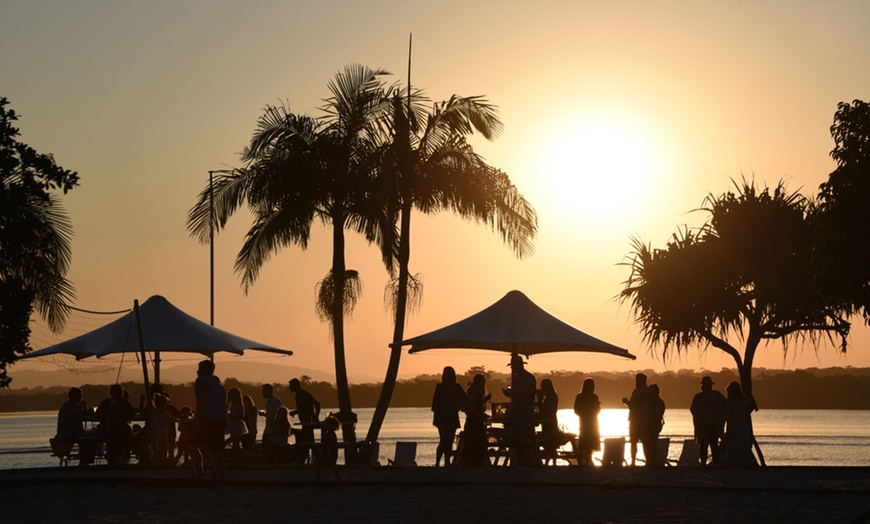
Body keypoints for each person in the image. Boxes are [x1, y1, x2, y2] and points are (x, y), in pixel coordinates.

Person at [190, 359, 228, 479]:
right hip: (221, 419)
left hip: (207, 418)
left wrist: (196, 417)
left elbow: (202, 398)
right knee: (214, 450)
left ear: (205, 370)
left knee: (191, 444)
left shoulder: (201, 381)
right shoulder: (218, 385)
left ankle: (199, 474)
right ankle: (221, 477)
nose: (197, 371)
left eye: (199, 368)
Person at [505, 353, 539, 466]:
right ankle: (522, 460)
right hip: (516, 412)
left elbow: (529, 394)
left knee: (530, 436)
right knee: (517, 438)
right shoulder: (516, 379)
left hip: (525, 412)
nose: (512, 368)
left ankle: (537, 460)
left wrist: (515, 393)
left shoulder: (528, 378)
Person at [431, 366, 466, 467]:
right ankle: (442, 461)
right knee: (445, 440)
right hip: (445, 417)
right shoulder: (445, 387)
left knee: (447, 440)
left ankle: (444, 461)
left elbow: (464, 399)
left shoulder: (449, 387)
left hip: (446, 416)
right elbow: (436, 404)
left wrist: (459, 406)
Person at [95, 384, 135, 467]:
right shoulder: (111, 403)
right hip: (113, 430)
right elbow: (130, 414)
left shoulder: (109, 402)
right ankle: (120, 459)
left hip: (112, 430)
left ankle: (116, 460)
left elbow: (98, 415)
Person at [690, 376, 726, 466]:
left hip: (714, 424)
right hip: (703, 425)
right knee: (704, 445)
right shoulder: (698, 397)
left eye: (708, 385)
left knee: (714, 445)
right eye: (706, 385)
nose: (708, 387)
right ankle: (703, 463)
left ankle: (716, 462)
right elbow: (693, 410)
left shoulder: (717, 395)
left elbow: (725, 406)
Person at [55, 387, 95, 466]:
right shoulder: (68, 407)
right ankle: (85, 461)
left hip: (74, 432)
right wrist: (84, 410)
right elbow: (78, 417)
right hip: (68, 433)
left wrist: (85, 408)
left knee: (90, 436)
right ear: (73, 395)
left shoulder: (75, 406)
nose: (81, 397)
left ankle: (85, 459)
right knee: (89, 438)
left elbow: (82, 415)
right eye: (79, 395)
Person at [724, 381, 758, 467]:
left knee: (733, 447)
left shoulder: (729, 402)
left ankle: (734, 463)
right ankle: (745, 463)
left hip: (733, 427)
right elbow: (750, 411)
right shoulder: (744, 401)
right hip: (743, 426)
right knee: (743, 447)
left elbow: (727, 415)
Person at [289, 378, 321, 462]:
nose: (289, 388)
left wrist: (315, 417)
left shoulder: (302, 394)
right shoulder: (301, 394)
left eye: (291, 386)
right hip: (305, 422)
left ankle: (315, 459)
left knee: (307, 441)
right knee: (308, 441)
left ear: (295, 385)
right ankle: (313, 459)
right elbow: (303, 408)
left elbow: (317, 404)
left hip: (308, 422)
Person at [462, 373, 490, 467]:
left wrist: (485, 400)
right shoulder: (475, 391)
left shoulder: (475, 391)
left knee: (478, 441)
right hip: (474, 421)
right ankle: (475, 462)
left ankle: (477, 461)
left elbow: (475, 405)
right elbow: (471, 406)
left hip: (474, 420)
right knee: (476, 441)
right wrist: (479, 415)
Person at [622, 373, 649, 466]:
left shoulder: (640, 392)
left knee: (636, 442)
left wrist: (626, 402)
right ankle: (637, 461)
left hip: (637, 420)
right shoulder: (644, 392)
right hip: (639, 420)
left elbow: (634, 406)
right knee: (639, 442)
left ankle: (634, 461)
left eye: (637, 380)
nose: (636, 382)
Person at [573, 378, 601, 466]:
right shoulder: (581, 397)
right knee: (585, 439)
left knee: (590, 440)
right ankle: (587, 460)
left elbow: (597, 409)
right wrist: (586, 412)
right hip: (585, 421)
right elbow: (576, 409)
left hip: (592, 421)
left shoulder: (594, 396)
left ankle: (588, 460)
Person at [537, 378, 560, 466]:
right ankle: (550, 462)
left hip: (550, 422)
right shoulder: (552, 396)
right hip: (550, 421)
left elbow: (544, 410)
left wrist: (539, 401)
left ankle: (548, 462)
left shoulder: (551, 397)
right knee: (549, 443)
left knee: (549, 442)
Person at [643, 384, 666, 467]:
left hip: (654, 424)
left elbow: (657, 414)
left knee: (650, 443)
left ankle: (651, 460)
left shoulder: (657, 402)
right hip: (651, 424)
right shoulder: (657, 401)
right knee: (649, 442)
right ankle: (650, 460)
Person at [226, 387, 248, 465]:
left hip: (237, 425)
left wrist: (230, 415)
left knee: (236, 444)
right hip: (233, 424)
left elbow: (240, 416)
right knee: (235, 444)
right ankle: (237, 460)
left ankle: (239, 461)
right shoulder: (234, 404)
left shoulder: (238, 405)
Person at [315, 415, 341, 481]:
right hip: (333, 454)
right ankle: (338, 478)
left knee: (317, 462)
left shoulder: (329, 434)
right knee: (333, 467)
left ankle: (318, 477)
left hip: (329, 454)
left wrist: (328, 454)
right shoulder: (332, 434)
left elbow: (329, 445)